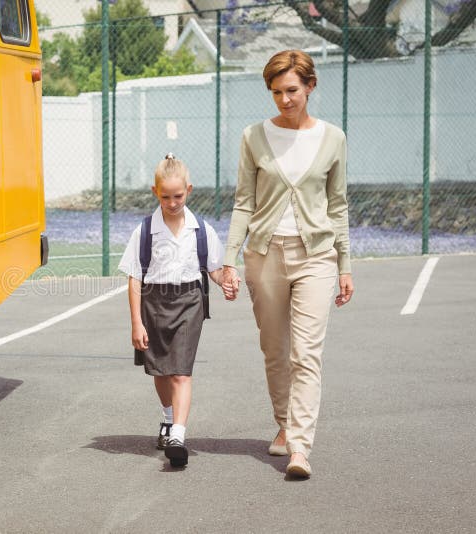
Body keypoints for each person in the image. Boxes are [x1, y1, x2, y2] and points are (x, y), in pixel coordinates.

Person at [221, 50, 354, 478]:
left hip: (317, 255)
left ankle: (299, 446)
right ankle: (283, 423)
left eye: (292, 90)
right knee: (274, 350)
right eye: (276, 92)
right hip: (264, 254)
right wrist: (228, 260)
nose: (284, 100)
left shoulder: (333, 138)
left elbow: (338, 206)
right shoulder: (254, 137)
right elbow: (244, 203)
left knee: (306, 354)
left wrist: (345, 263)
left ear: (310, 86)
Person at [119, 153, 235, 468]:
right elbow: (134, 278)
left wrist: (227, 280)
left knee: (181, 371)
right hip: (153, 302)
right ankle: (168, 419)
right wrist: (136, 323)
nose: (172, 202)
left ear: (190, 191)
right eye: (166, 196)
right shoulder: (144, 231)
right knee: (161, 371)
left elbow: (214, 269)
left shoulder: (202, 230)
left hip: (189, 302)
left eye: (179, 196)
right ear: (155, 192)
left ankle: (178, 436)